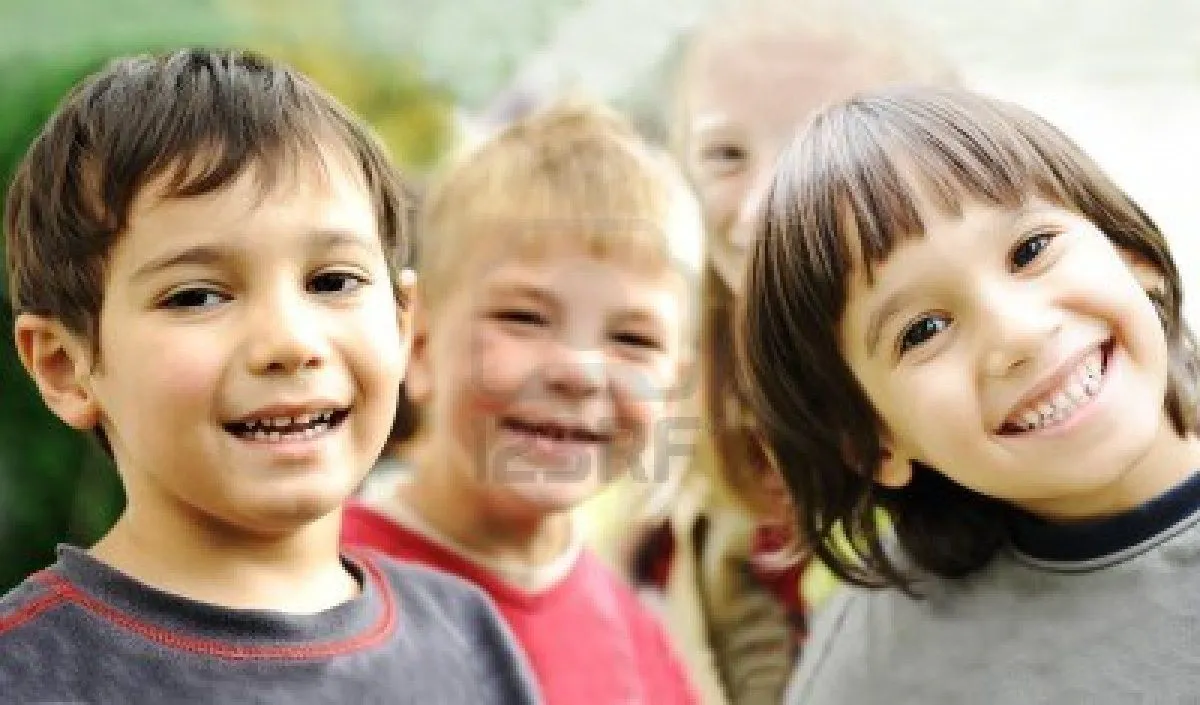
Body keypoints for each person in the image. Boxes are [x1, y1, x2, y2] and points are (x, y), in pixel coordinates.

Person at [0, 48, 539, 704]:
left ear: (403, 326)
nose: (289, 342)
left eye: (332, 281)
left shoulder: (469, 637)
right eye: (197, 295)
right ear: (65, 366)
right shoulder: (26, 674)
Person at [738, 84, 1200, 704]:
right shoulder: (880, 667)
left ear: (1128, 252)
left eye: (1030, 250)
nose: (1020, 334)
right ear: (872, 441)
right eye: (923, 331)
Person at [602, 1, 958, 702]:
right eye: (725, 154)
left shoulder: (1004, 412)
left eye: (826, 138)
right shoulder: (671, 403)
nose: (764, 203)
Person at [341, 100, 703, 705]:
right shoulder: (316, 592)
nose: (579, 374)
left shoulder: (638, 642)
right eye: (525, 318)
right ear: (419, 343)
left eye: (633, 339)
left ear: (671, 387)